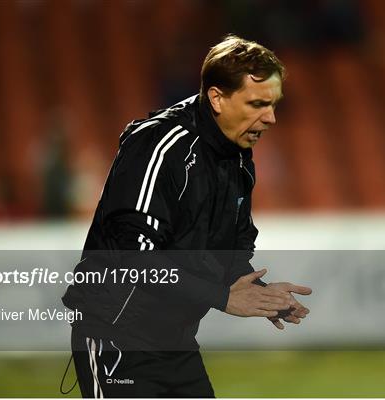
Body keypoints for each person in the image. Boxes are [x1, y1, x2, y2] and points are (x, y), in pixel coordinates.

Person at [62, 34, 312, 398]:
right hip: (118, 335)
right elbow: (133, 255)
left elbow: (230, 249)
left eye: (273, 105)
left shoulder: (237, 156)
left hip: (174, 341)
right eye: (257, 103)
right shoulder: (160, 145)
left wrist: (258, 294)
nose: (271, 118)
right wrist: (223, 297)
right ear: (217, 98)